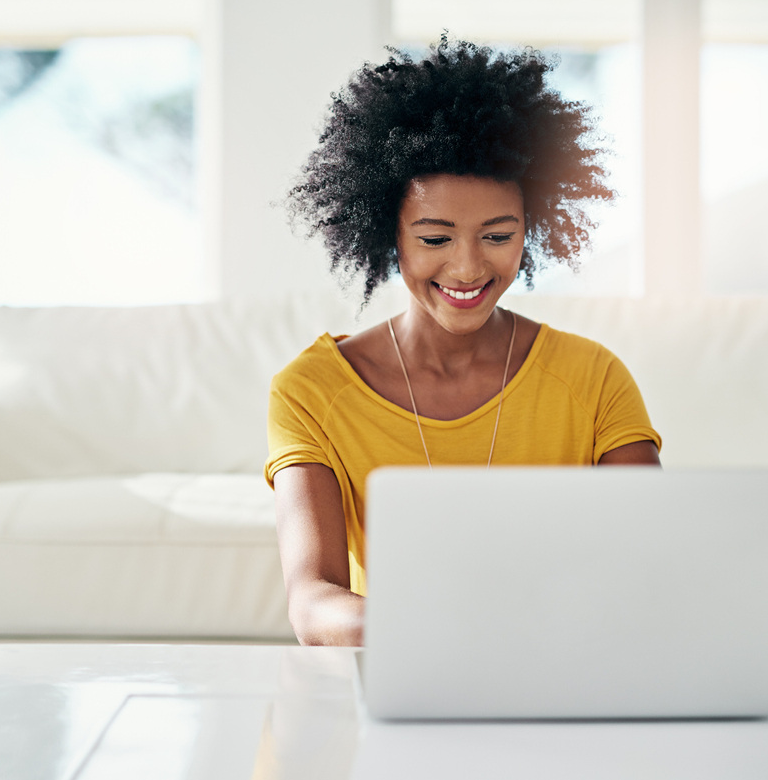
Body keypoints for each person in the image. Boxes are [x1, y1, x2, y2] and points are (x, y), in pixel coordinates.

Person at [264, 37, 662, 647]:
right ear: (385, 234)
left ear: (532, 230)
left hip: (563, 667)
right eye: (435, 239)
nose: (469, 268)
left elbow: (652, 571)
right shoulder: (312, 391)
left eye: (498, 235)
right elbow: (312, 599)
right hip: (407, 668)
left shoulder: (593, 379)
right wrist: (433, 629)